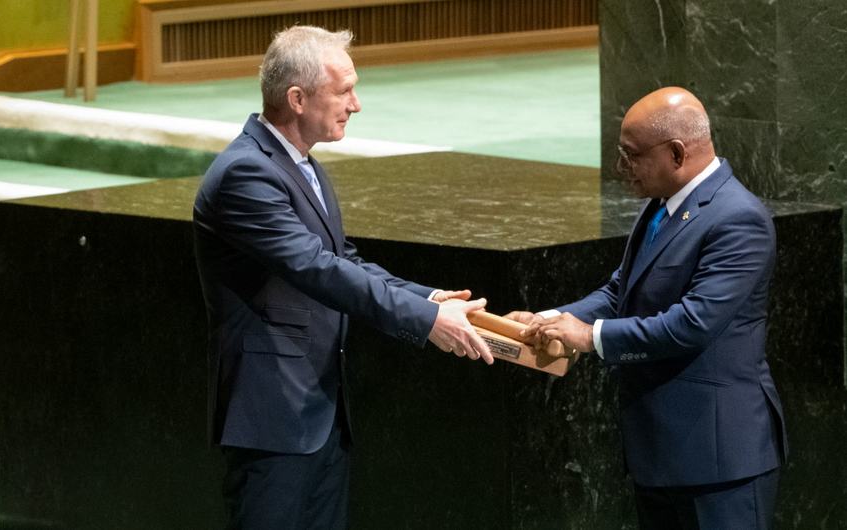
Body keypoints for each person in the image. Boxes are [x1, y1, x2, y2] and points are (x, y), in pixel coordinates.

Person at [193, 25, 493, 529]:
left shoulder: (301, 165)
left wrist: (431, 297)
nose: (356, 104)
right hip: (274, 419)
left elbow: (343, 258)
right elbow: (317, 269)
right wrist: (426, 320)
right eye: (344, 90)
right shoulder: (247, 174)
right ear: (297, 98)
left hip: (320, 413)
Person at [508, 87, 786, 529]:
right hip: (660, 456)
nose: (622, 168)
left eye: (631, 155)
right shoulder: (661, 206)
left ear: (676, 153)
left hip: (719, 464)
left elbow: (692, 324)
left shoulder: (738, 219)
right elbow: (623, 291)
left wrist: (589, 337)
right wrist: (555, 320)